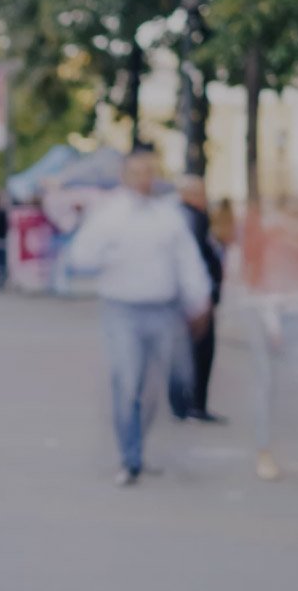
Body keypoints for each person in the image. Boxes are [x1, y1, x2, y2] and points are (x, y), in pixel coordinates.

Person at [65, 143, 211, 486]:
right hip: (123, 310)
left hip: (162, 310)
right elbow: (80, 256)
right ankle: (129, 458)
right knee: (127, 382)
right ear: (125, 175)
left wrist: (199, 299)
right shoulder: (109, 215)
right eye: (138, 172)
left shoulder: (167, 215)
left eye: (150, 172)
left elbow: (187, 261)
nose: (145, 179)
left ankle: (137, 447)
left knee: (151, 389)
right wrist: (109, 257)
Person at [239, 196, 298, 489]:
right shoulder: (270, 240)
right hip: (267, 317)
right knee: (266, 384)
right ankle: (264, 451)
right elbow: (259, 285)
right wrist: (272, 324)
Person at [169, 176, 226, 424]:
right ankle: (193, 404)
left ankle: (181, 403)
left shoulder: (175, 216)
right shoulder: (193, 218)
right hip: (195, 297)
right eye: (202, 193)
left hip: (181, 296)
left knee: (182, 349)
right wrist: (205, 295)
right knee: (200, 350)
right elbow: (198, 260)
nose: (206, 198)